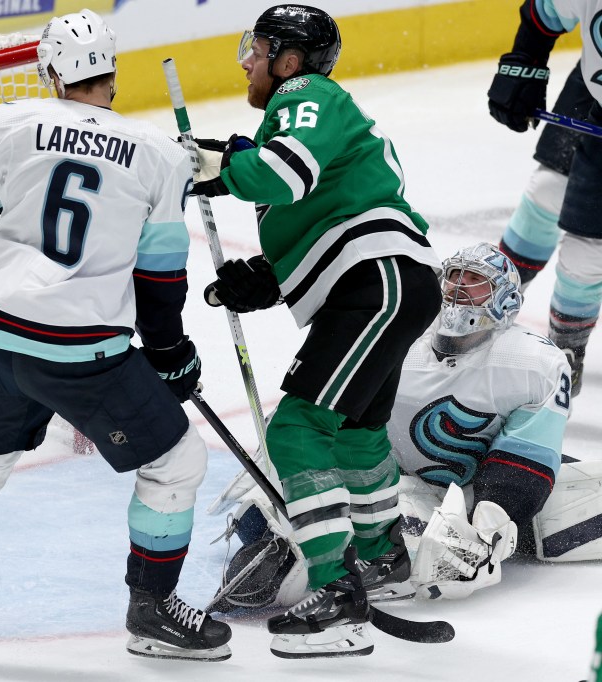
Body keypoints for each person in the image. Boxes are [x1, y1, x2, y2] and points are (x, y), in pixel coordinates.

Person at [0, 9, 233, 663]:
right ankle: (152, 611)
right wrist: (170, 356)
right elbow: (160, 278)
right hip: (81, 356)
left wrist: (2, 189)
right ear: (112, 74)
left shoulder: (14, 125)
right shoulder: (156, 153)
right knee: (177, 464)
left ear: (50, 72)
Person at [190, 4, 442, 659]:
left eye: (259, 47)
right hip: (384, 281)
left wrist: (214, 166)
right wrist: (264, 277)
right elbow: (323, 211)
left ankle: (336, 595)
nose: (246, 59)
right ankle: (382, 556)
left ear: (291, 62)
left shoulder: (305, 95)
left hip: (377, 279)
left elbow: (282, 172)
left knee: (297, 430)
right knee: (355, 434)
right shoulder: (308, 117)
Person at [210, 244, 573, 610]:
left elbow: (523, 456)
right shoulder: (401, 329)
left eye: (476, 281)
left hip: (452, 493)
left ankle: (314, 565)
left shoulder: (532, 362)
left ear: (506, 300)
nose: (459, 288)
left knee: (442, 550)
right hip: (371, 472)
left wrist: (490, 525)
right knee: (259, 510)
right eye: (454, 277)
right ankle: (296, 553)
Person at [488, 1, 602, 397]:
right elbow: (543, 13)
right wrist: (525, 61)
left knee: (588, 250)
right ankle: (488, 302)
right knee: (546, 193)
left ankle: (565, 354)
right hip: (592, 91)